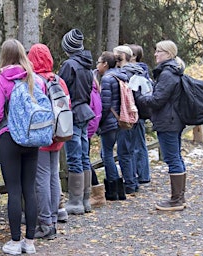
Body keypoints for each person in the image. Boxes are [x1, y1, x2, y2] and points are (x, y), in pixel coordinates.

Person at [0, 39, 38, 254]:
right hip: (32, 137)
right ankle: (30, 242)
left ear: (4, 55)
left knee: (14, 190)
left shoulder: (1, 80)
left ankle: (15, 242)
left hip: (9, 137)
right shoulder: (34, 78)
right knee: (30, 189)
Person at [134, 40, 186, 211]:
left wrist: (139, 96)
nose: (155, 54)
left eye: (159, 51)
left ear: (168, 54)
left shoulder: (167, 74)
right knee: (175, 157)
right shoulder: (171, 72)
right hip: (172, 120)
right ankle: (179, 198)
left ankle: (177, 200)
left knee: (172, 158)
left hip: (168, 122)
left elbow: (157, 100)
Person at [27, 43, 70, 240]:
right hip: (59, 135)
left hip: (42, 137)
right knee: (54, 177)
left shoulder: (34, 81)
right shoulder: (59, 80)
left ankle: (45, 223)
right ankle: (52, 217)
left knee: (42, 179)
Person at [58, 28, 95, 215]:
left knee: (74, 156)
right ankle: (85, 199)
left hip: (72, 113)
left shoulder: (69, 65)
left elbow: (61, 90)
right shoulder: (87, 65)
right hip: (84, 112)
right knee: (84, 156)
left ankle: (75, 201)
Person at [96, 51, 128, 201]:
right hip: (118, 119)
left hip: (109, 120)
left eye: (99, 62)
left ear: (105, 64)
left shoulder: (107, 79)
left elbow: (105, 104)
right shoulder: (120, 76)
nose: (97, 66)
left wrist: (98, 122)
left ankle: (113, 189)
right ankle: (118, 189)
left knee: (106, 154)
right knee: (108, 153)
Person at [112, 45, 139, 194]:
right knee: (130, 150)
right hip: (134, 116)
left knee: (124, 151)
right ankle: (133, 180)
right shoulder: (137, 71)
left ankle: (129, 183)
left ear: (122, 55)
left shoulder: (124, 73)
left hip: (126, 116)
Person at [127, 44, 152, 184]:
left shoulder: (139, 72)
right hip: (136, 112)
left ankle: (142, 174)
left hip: (137, 113)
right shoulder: (140, 71)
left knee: (138, 144)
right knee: (136, 144)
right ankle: (140, 173)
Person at [87, 71, 106, 207]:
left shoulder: (90, 91)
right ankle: (96, 192)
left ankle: (96, 192)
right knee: (84, 158)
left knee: (83, 159)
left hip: (87, 125)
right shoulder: (95, 89)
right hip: (92, 124)